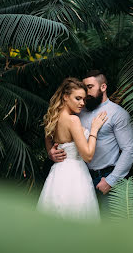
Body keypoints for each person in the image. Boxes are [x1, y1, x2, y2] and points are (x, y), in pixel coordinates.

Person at [47, 70, 133, 215]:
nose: (85, 94)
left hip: (106, 178)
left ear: (103, 87)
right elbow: (51, 131)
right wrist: (51, 151)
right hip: (78, 178)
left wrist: (110, 181)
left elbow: (130, 151)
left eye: (89, 87)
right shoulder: (77, 111)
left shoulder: (118, 114)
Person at [37, 77, 108, 221]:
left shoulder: (54, 117)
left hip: (57, 174)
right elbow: (87, 156)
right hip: (75, 175)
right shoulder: (73, 120)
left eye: (84, 99)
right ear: (65, 97)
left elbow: (47, 138)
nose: (82, 103)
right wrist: (94, 130)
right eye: (78, 98)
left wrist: (50, 151)